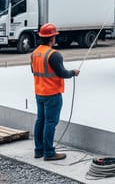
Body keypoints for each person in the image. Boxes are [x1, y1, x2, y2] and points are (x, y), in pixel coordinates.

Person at [31, 23, 79, 161]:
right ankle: (49, 153)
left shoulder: (35, 53)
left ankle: (38, 150)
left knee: (40, 121)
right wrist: (73, 72)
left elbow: (34, 71)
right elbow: (62, 73)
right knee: (50, 123)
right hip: (52, 94)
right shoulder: (54, 55)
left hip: (39, 92)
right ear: (52, 38)